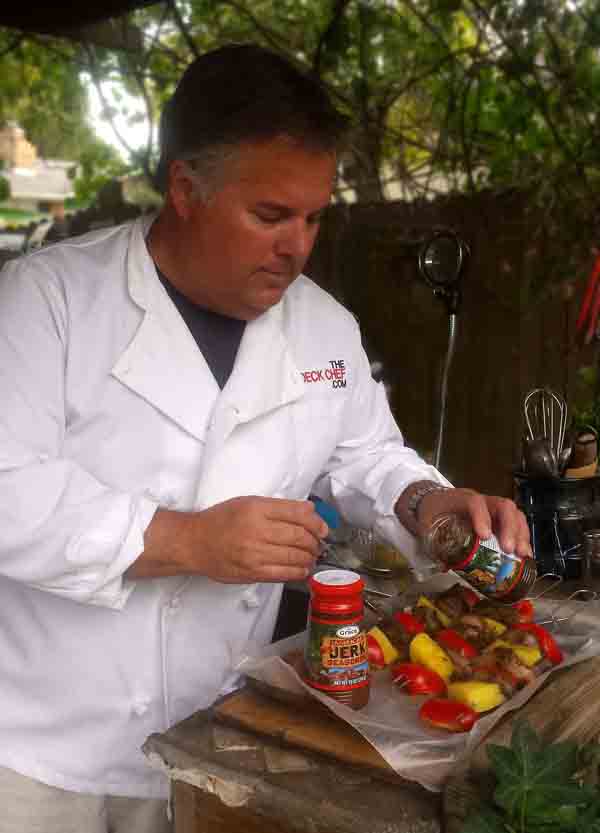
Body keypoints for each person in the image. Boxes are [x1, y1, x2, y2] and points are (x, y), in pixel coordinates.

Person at [0, 43, 531, 833]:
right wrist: (187, 539)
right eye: (271, 216)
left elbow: (366, 455)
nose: (298, 246)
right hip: (42, 756)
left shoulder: (323, 328)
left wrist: (426, 501)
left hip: (222, 737)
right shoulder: (49, 301)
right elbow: (8, 487)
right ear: (186, 189)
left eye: (314, 217)